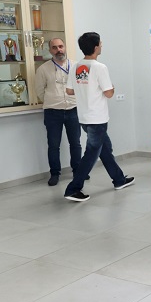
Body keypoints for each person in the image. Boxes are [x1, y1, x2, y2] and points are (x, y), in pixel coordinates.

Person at [64, 32, 134, 201]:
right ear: (96, 47)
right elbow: (109, 93)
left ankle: (119, 179)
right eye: (100, 44)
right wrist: (112, 88)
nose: (101, 46)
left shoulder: (75, 66)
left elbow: (70, 91)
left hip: (84, 118)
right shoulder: (99, 67)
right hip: (97, 118)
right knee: (91, 154)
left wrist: (85, 90)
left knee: (105, 149)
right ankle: (73, 189)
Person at [34, 38, 82, 186]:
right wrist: (53, 100)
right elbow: (39, 91)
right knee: (54, 145)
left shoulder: (75, 66)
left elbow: (82, 86)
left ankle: (78, 171)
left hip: (73, 110)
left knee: (76, 143)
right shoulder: (43, 69)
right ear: (50, 50)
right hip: (52, 112)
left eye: (61, 46)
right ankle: (55, 174)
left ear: (65, 47)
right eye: (54, 47)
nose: (58, 50)